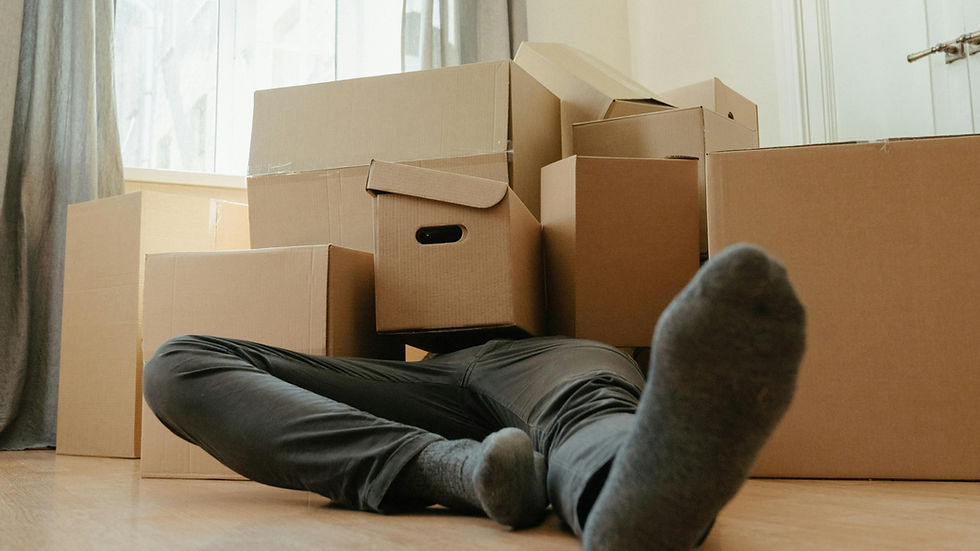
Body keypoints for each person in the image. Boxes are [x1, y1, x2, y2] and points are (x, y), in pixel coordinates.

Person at [143, 243, 806, 551]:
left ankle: (631, 497)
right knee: (176, 362)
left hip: (542, 352)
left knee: (587, 402)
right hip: (422, 379)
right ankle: (460, 470)